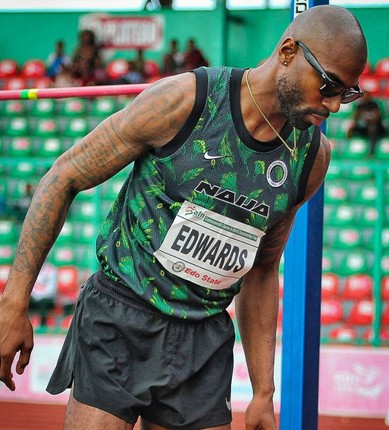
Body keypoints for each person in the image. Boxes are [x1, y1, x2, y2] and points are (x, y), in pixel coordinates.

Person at [0, 6, 368, 429]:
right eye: (329, 85)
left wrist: (264, 392)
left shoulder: (311, 158)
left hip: (203, 340)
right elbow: (63, 176)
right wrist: (13, 302)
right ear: (287, 51)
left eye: (348, 93)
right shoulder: (184, 101)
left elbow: (262, 268)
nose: (336, 105)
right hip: (121, 316)